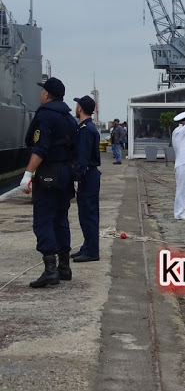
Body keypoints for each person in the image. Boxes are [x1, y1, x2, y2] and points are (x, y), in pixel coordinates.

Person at [20, 77, 77, 288]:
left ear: (46, 94)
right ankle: (64, 268)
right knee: (61, 220)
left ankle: (50, 270)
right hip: (66, 175)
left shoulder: (45, 116)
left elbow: (40, 147)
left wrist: (28, 174)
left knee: (43, 220)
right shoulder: (70, 119)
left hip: (47, 174)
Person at [71, 95, 101, 263]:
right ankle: (87, 246)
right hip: (90, 174)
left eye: (77, 105)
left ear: (80, 108)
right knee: (87, 214)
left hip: (87, 175)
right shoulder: (89, 128)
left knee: (88, 215)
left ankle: (91, 251)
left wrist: (77, 178)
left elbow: (82, 157)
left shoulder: (84, 130)